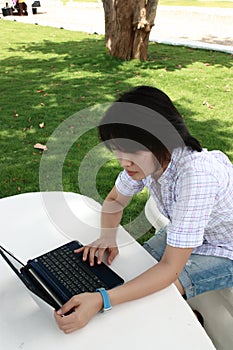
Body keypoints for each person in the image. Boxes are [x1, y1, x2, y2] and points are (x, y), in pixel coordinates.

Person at [54, 85, 233, 333]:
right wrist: (107, 238)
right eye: (118, 149)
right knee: (136, 268)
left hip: (227, 249)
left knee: (160, 293)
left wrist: (101, 300)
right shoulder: (149, 159)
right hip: (194, 233)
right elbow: (115, 199)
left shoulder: (196, 177)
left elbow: (170, 269)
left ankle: (185, 328)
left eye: (132, 151)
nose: (123, 161)